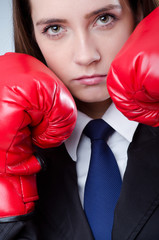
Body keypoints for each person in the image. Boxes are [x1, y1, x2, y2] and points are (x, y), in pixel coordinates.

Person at [0, 0, 158, 239]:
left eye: (104, 19)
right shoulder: (14, 150)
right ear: (32, 34)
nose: (86, 56)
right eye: (54, 28)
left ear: (138, 14)